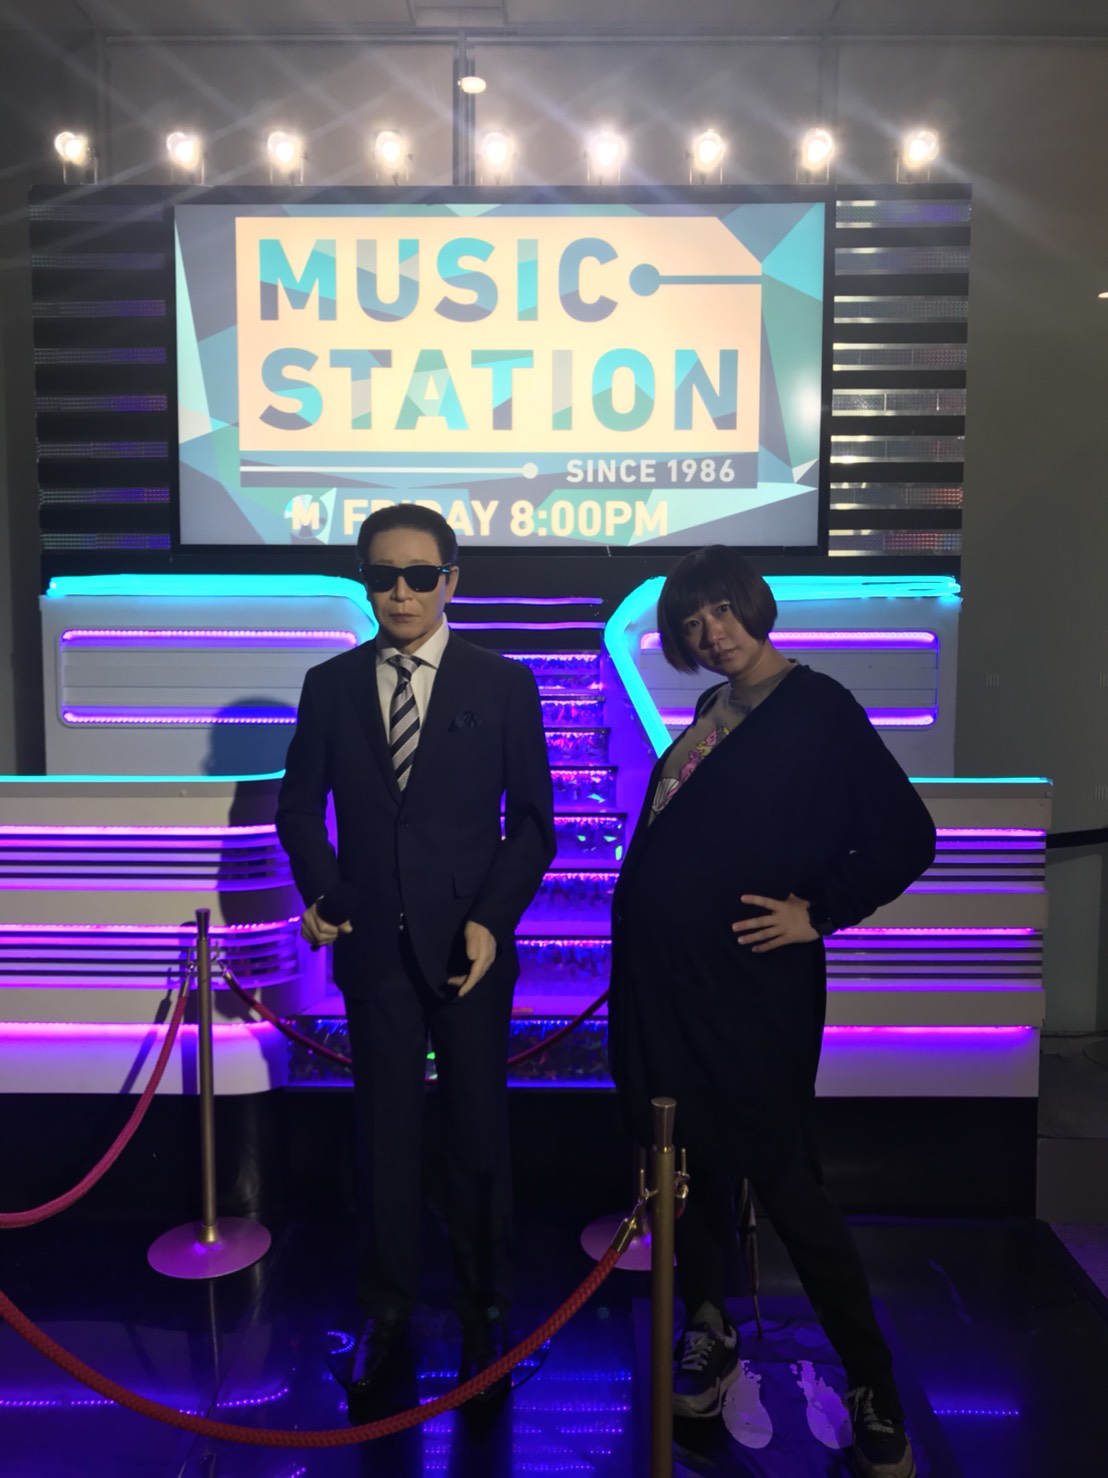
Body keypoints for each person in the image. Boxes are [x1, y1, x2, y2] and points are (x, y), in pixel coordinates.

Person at [607, 545, 935, 1478]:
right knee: (690, 1170)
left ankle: (871, 1380)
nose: (712, 633)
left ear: (755, 604)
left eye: (722, 610)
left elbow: (907, 836)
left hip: (751, 995)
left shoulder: (818, 706)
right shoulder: (714, 710)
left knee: (788, 1184)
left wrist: (817, 911)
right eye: (691, 623)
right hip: (670, 991)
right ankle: (708, 1329)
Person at [276, 505, 556, 1401]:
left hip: (471, 951)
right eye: (383, 576)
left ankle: (487, 1311)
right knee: (383, 1139)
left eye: (420, 575)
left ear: (451, 581)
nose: (401, 592)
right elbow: (298, 810)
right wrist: (326, 893)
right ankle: (386, 1310)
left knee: (479, 1136)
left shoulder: (503, 683)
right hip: (372, 947)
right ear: (366, 582)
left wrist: (493, 919)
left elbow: (535, 826)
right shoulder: (329, 684)